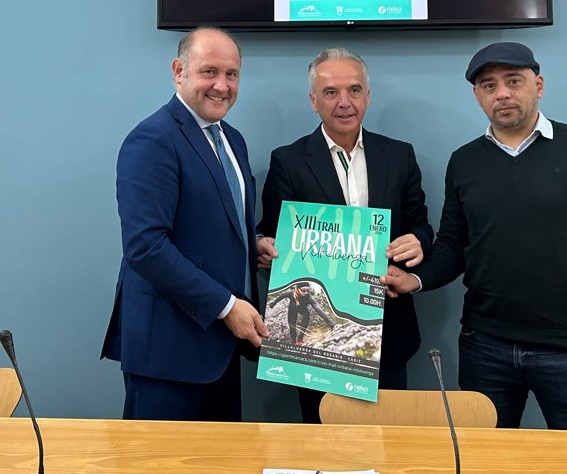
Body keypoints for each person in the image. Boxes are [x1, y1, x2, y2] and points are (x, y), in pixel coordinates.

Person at [383, 41, 567, 431]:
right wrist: (417, 280)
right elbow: (454, 245)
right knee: (482, 462)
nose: (502, 93)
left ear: (538, 85)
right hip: (485, 346)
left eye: (513, 81)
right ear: (477, 96)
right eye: (488, 85)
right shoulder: (465, 161)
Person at [257, 47, 433, 423]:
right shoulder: (288, 160)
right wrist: (264, 248)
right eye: (330, 92)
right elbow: (270, 235)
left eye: (354, 90)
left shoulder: (399, 156)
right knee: (324, 447)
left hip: (386, 331)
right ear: (313, 101)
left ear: (368, 96)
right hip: (317, 344)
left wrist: (418, 242)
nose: (344, 103)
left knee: (388, 448)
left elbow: (421, 226)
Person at [101, 27, 267, 421]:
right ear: (179, 71)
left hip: (221, 348)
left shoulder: (233, 139)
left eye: (232, 75)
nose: (222, 86)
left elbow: (215, 223)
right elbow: (146, 247)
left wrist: (252, 242)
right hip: (169, 352)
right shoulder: (152, 139)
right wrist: (227, 307)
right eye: (209, 72)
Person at [267, 281, 336, 346]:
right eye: (303, 290)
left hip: (302, 309)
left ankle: (300, 338)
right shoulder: (290, 293)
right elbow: (280, 297)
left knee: (307, 314)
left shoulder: (309, 298)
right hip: (293, 308)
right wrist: (273, 304)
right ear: (297, 289)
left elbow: (319, 310)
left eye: (308, 290)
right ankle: (294, 342)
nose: (306, 292)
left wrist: (331, 323)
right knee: (292, 325)